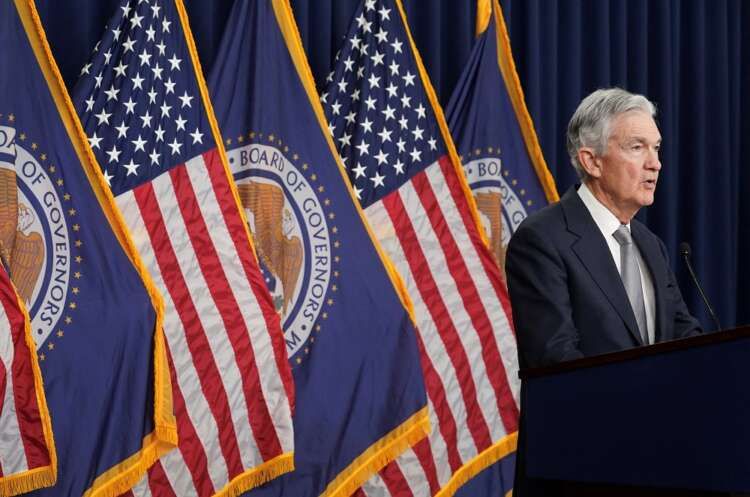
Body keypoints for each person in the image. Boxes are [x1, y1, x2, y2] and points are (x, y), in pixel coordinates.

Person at [506, 87, 702, 370]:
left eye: (656, 148)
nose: (655, 164)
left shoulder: (651, 245)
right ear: (592, 161)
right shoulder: (541, 240)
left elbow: (684, 337)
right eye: (637, 147)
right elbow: (555, 358)